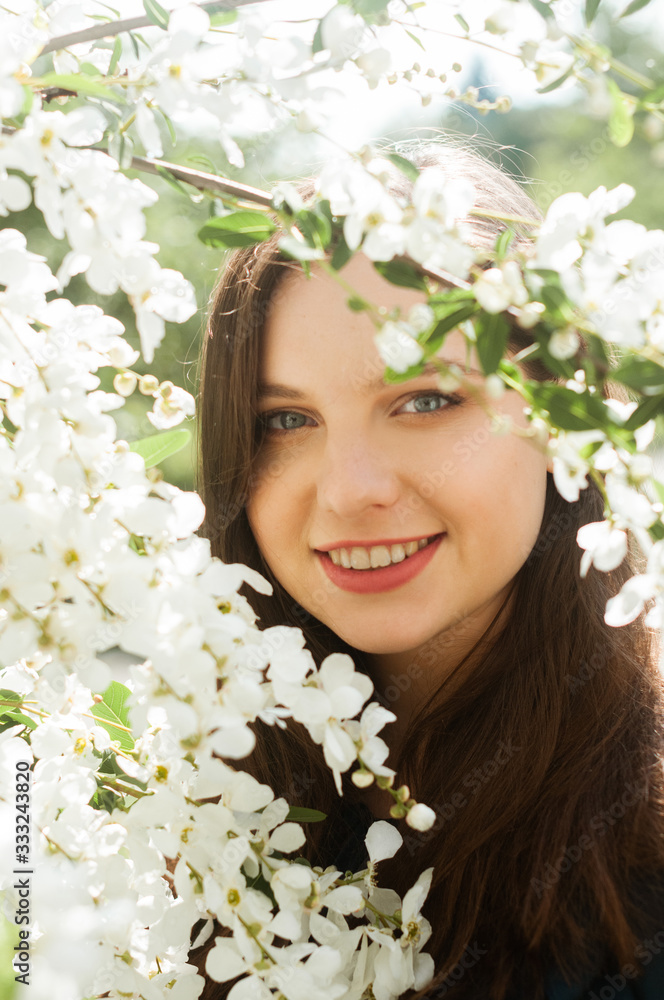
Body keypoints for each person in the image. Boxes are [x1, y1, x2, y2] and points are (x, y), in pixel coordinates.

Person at [196, 143, 664, 999]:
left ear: (563, 412)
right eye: (285, 419)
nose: (350, 491)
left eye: (424, 400)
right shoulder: (187, 815)